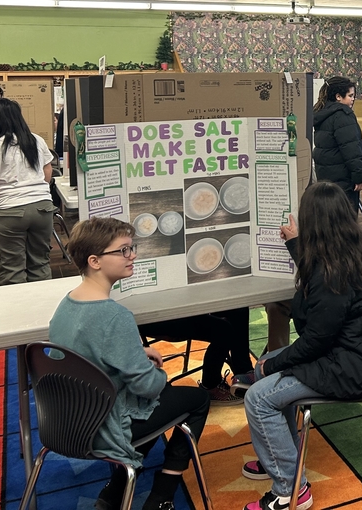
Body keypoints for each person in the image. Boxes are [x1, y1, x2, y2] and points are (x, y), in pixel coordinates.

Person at [233, 181, 362, 510]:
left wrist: (272, 365)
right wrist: (296, 247)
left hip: (348, 368)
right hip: (354, 357)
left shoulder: (330, 274)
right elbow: (319, 323)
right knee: (267, 370)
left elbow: (315, 339)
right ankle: (280, 457)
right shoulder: (349, 253)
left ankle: (291, 490)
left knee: (259, 397)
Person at [49, 217, 210, 510]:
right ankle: (162, 497)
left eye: (131, 248)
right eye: (123, 250)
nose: (132, 255)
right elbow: (147, 387)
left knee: (154, 406)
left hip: (66, 421)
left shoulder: (66, 304)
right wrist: (158, 373)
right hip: (104, 427)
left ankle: (115, 489)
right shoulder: (115, 316)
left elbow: (89, 353)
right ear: (95, 261)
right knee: (195, 398)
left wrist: (136, 353)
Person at [0, 97, 57, 285]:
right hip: (42, 209)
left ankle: (20, 313)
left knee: (11, 270)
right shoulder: (36, 141)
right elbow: (47, 170)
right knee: (40, 264)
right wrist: (38, 191)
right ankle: (45, 310)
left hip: (7, 213)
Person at [140, 308, 255, 405]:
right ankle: (210, 385)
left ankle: (243, 372)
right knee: (223, 330)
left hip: (187, 305)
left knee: (239, 309)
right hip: (157, 315)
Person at [312, 76, 362, 214]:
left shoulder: (322, 113)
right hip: (344, 179)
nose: (353, 99)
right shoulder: (343, 115)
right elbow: (351, 149)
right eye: (350, 95)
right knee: (347, 221)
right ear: (338, 96)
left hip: (327, 176)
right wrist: (358, 176)